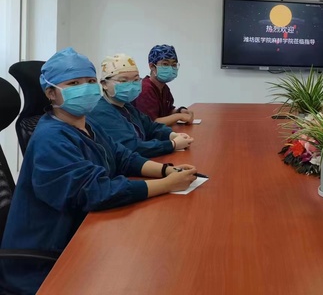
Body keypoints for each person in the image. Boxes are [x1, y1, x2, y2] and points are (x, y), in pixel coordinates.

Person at [0, 48, 198, 294]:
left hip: (84, 234)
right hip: (47, 260)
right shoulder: (50, 138)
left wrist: (166, 170)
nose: (85, 88)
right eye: (74, 83)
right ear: (51, 93)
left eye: (90, 81)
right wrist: (167, 185)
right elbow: (96, 191)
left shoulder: (87, 124)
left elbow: (123, 157)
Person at [88, 53, 194, 158]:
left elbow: (150, 127)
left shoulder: (126, 106)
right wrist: (172, 144)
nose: (131, 85)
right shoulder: (101, 112)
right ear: (104, 84)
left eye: (135, 80)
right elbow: (131, 147)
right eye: (123, 81)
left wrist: (172, 135)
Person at [133, 44, 195, 125]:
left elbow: (167, 112)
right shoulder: (145, 89)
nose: (170, 68)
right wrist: (179, 116)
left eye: (174, 65)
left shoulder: (164, 88)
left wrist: (180, 110)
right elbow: (151, 123)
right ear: (152, 66)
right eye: (165, 64)